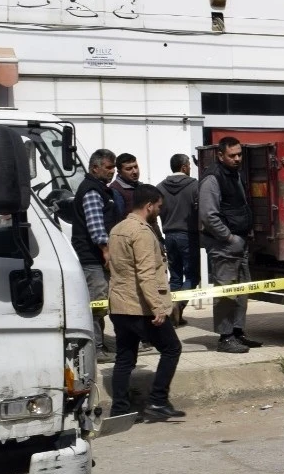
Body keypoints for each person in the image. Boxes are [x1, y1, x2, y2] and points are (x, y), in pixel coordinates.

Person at [105, 183, 184, 423]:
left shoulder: (117, 229)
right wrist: (157, 307)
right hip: (140, 307)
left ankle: (120, 409)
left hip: (119, 305)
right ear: (149, 206)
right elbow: (146, 273)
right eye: (158, 206)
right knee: (172, 348)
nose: (159, 211)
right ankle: (158, 400)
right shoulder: (142, 232)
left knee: (125, 358)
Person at [199, 137, 262, 354]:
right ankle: (225, 337)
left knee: (241, 291)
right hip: (224, 245)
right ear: (220, 155)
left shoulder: (234, 174)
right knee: (226, 292)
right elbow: (208, 215)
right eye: (232, 155)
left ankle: (237, 332)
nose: (237, 159)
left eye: (239, 154)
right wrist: (228, 238)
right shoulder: (213, 178)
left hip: (238, 244)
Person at [69, 148, 121, 363]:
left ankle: (100, 345)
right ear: (95, 168)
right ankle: (96, 349)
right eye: (108, 167)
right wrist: (106, 251)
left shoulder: (101, 189)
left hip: (96, 258)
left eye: (113, 167)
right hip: (93, 259)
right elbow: (96, 227)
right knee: (97, 305)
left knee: (101, 304)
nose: (112, 171)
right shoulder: (92, 191)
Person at [159, 153, 199, 326]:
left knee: (175, 277)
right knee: (192, 276)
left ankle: (175, 316)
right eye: (189, 165)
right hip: (188, 236)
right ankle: (178, 305)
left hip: (169, 235)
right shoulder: (194, 186)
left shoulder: (160, 187)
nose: (190, 168)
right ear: (184, 167)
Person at [110, 152, 141, 217]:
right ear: (119, 172)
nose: (135, 171)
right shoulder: (115, 190)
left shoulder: (141, 186)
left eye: (136, 167)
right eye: (129, 169)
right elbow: (119, 218)